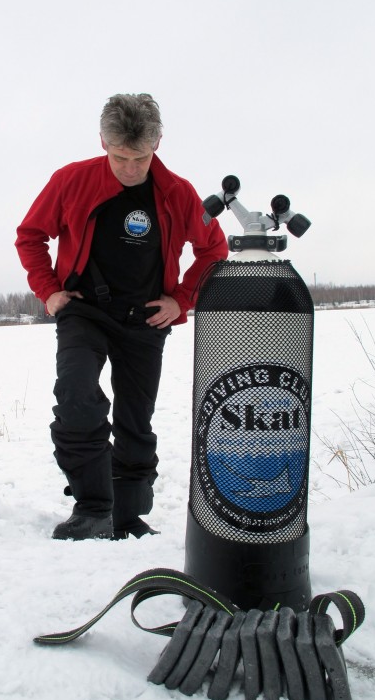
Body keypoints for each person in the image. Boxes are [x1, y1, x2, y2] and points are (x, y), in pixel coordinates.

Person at [15, 93, 228, 541]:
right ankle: (92, 507)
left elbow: (213, 249)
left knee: (136, 419)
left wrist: (181, 300)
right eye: (120, 157)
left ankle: (128, 517)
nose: (131, 168)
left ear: (158, 144)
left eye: (141, 157)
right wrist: (49, 291)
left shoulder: (178, 192)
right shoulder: (71, 180)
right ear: (102, 143)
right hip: (85, 312)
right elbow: (30, 236)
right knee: (76, 396)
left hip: (146, 319)